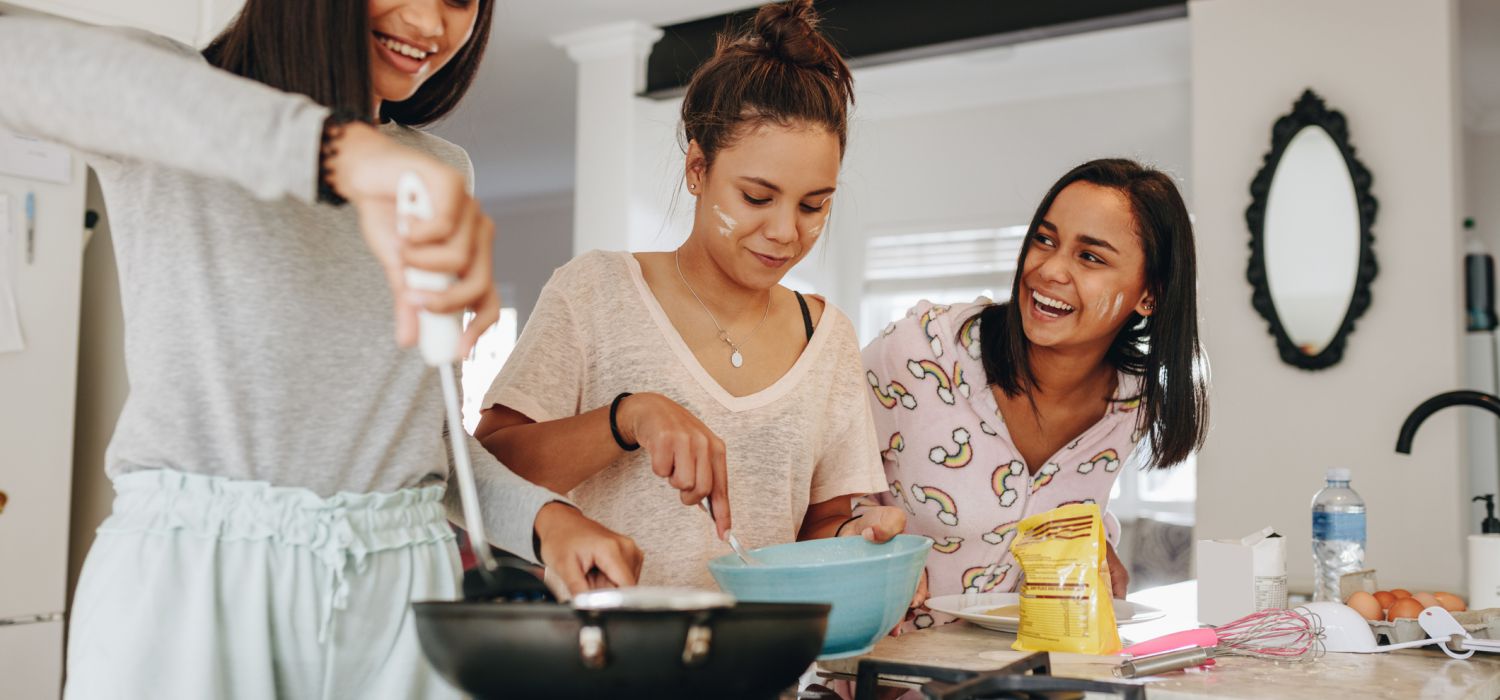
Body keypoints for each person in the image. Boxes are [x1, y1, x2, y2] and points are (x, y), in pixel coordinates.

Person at [0, 2, 640, 697]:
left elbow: (424, 448)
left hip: (401, 601)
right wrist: (336, 151)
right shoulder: (179, 105)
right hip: (193, 596)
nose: (429, 20)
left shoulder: (438, 171)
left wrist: (548, 521)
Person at [473, 0, 906, 590]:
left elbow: (820, 525)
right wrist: (628, 417)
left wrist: (858, 540)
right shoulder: (596, 291)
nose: (785, 231)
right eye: (757, 197)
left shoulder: (825, 338)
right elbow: (488, 473)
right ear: (697, 170)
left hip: (759, 670)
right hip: (602, 661)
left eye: (813, 205)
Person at [861, 158, 1209, 633]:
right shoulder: (922, 351)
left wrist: (1095, 546)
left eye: (1090, 257)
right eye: (1045, 240)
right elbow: (816, 485)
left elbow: (1065, 504)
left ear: (1149, 295)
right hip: (881, 673)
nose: (1050, 269)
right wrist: (868, 545)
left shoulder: (1132, 403)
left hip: (1020, 673)